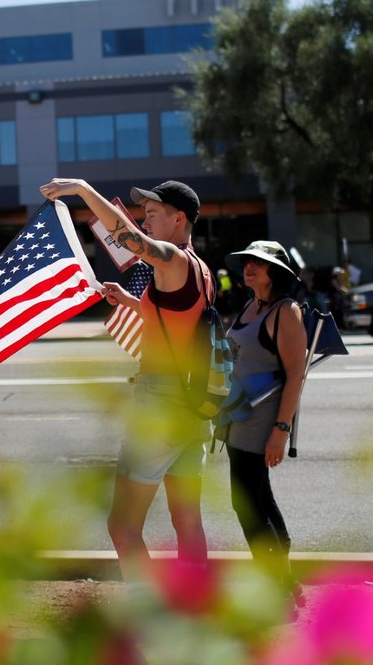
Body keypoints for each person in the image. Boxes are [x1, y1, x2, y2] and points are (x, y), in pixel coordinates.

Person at [40, 178, 212, 589]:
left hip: (162, 403)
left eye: (152, 214)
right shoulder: (199, 268)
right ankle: (196, 614)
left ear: (178, 218)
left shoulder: (172, 259)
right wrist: (133, 302)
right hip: (193, 405)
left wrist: (82, 191)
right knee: (187, 522)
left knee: (122, 526)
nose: (145, 221)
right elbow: (177, 324)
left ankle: (153, 620)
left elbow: (131, 241)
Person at [220, 241, 306, 603]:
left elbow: (295, 374)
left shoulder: (286, 312)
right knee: (261, 500)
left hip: (261, 425)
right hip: (237, 419)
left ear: (277, 272)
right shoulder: (250, 306)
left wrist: (281, 431)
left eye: (260, 263)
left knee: (248, 504)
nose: (250, 267)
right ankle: (285, 581)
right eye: (248, 262)